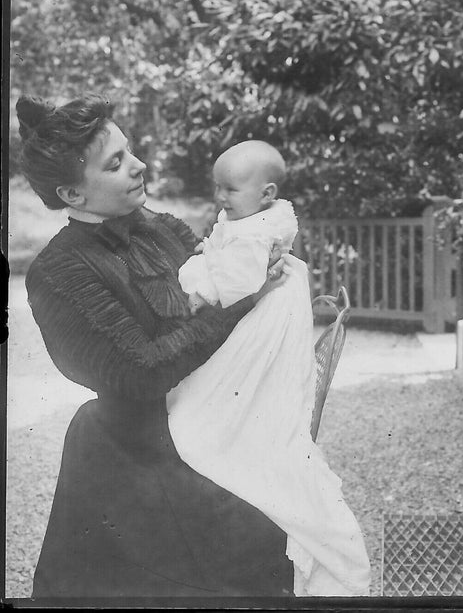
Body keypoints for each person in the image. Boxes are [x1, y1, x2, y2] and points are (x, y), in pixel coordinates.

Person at [16, 94, 294, 599]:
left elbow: (230, 292)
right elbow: (140, 371)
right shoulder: (59, 273)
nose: (139, 165)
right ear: (71, 195)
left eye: (130, 151)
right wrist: (241, 302)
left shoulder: (164, 230)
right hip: (134, 452)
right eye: (116, 163)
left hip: (217, 420)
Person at [167, 141, 371, 597]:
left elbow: (238, 282)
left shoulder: (258, 231)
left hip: (270, 308)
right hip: (271, 295)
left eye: (231, 189)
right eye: (217, 187)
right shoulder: (254, 215)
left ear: (267, 193)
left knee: (244, 374)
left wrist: (197, 278)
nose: (221, 197)